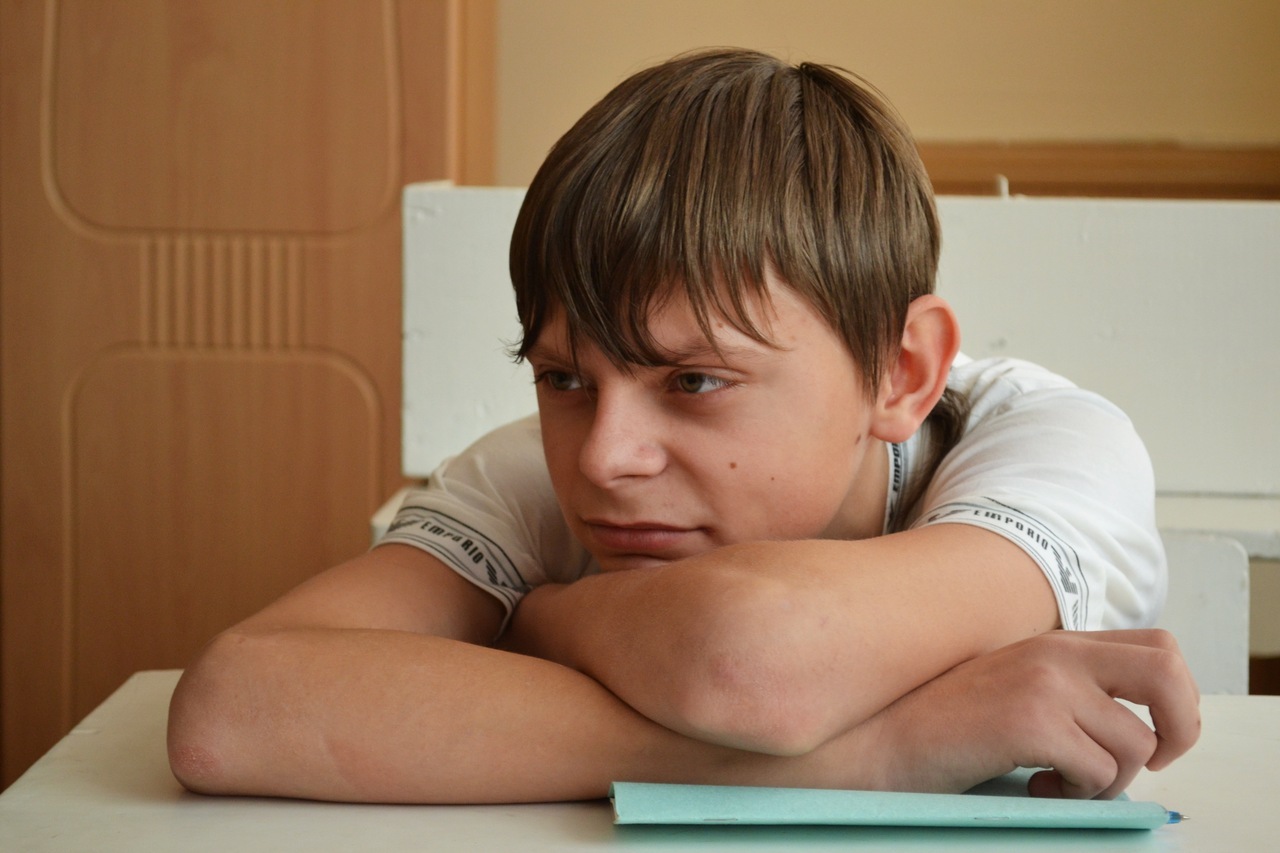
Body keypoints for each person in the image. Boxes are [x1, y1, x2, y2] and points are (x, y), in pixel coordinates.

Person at [166, 48, 1199, 805]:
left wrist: (546, 622)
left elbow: (754, 661)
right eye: (563, 377)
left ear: (902, 372)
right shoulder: (537, 464)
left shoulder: (1051, 444)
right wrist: (874, 754)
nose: (605, 458)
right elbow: (233, 709)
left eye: (695, 380)